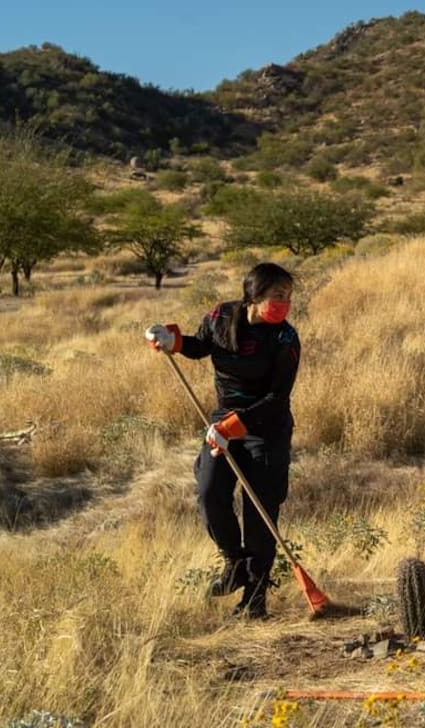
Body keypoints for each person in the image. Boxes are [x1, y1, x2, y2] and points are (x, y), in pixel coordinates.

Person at [144, 262, 300, 618]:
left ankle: (255, 598)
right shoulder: (221, 316)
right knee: (209, 491)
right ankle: (233, 563)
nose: (284, 304)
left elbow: (278, 399)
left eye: (288, 297)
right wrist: (174, 341)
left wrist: (236, 424)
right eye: (278, 296)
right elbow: (201, 346)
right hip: (223, 420)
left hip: (267, 429)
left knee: (260, 513)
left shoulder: (286, 340)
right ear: (255, 295)